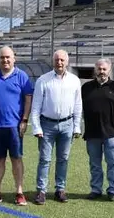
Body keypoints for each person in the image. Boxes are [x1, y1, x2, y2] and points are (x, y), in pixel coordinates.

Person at [0, 46, 33, 206]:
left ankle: (19, 192)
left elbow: (28, 99)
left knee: (16, 159)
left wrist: (24, 120)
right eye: (2, 57)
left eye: (8, 57)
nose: (5, 60)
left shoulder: (22, 76)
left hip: (14, 126)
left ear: (14, 58)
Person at [29, 49, 83, 205]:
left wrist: (76, 126)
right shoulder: (43, 80)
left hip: (67, 124)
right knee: (44, 159)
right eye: (57, 59)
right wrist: (36, 127)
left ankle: (60, 189)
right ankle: (41, 191)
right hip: (47, 125)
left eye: (62, 60)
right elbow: (36, 106)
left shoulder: (74, 80)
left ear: (67, 62)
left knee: (63, 159)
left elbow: (78, 104)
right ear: (53, 61)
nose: (59, 62)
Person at [82, 58, 114, 201]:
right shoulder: (86, 87)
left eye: (104, 69)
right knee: (95, 164)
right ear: (95, 69)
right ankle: (96, 189)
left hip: (112, 133)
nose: (101, 71)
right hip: (92, 133)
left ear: (109, 70)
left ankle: (113, 190)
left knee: (113, 163)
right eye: (99, 69)